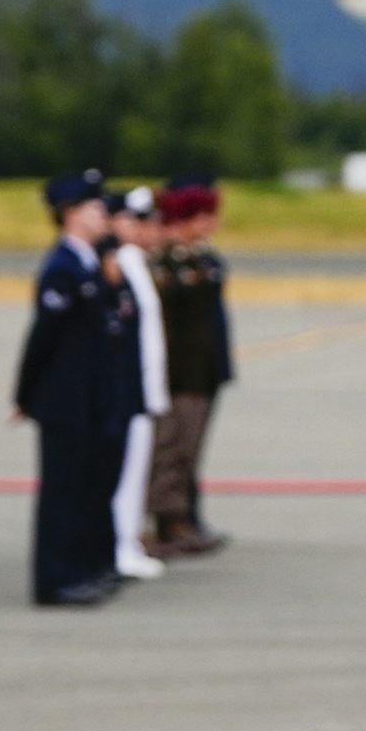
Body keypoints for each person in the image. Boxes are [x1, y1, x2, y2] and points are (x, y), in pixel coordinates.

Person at [11, 171, 119, 606]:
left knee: (81, 490)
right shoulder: (62, 267)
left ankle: (78, 570)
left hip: (85, 398)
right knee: (61, 495)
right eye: (94, 207)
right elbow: (44, 339)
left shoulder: (86, 263)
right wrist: (25, 395)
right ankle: (54, 581)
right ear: (70, 214)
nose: (103, 214)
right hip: (63, 400)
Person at [147, 180, 233, 558]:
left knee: (189, 448)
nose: (213, 222)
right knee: (172, 449)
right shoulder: (167, 261)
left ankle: (184, 518)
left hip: (203, 369)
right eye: (205, 214)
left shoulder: (200, 258)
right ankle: (169, 521)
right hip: (178, 372)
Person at [108, 187, 169, 580]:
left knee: (134, 471)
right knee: (124, 474)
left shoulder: (135, 261)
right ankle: (120, 545)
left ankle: (127, 541)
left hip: (143, 388)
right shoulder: (122, 262)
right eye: (133, 220)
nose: (146, 229)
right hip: (129, 388)